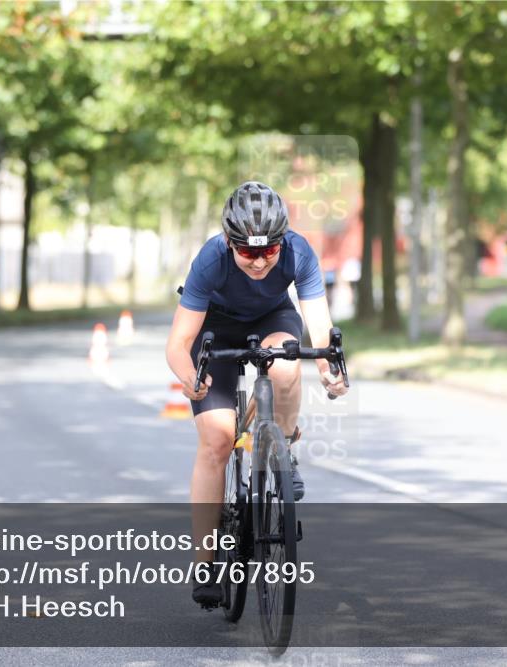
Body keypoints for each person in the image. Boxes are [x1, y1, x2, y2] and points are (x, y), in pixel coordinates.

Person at [164, 181, 349, 607]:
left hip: (272, 318)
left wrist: (330, 371)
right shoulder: (210, 260)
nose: (260, 261)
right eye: (248, 252)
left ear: (282, 241)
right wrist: (192, 377)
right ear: (230, 243)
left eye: (269, 251)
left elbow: (319, 328)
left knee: (286, 367)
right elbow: (177, 343)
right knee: (217, 441)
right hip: (214, 328)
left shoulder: (300, 252)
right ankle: (206, 563)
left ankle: (281, 448)